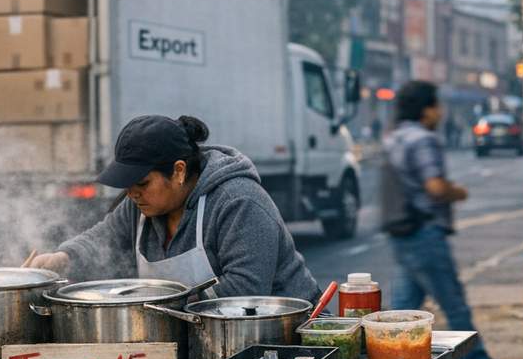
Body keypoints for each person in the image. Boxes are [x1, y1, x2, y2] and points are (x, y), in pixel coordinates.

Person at [29, 114, 319, 302]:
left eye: (142, 183)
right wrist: (61, 258)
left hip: (286, 337)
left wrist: (158, 308)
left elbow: (244, 289)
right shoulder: (139, 206)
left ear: (178, 171)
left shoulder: (238, 202)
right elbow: (103, 237)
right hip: (197, 340)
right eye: (127, 184)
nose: (132, 194)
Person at [385, 80, 522, 359]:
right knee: (453, 303)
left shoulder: (395, 138)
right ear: (427, 109)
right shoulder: (423, 139)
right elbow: (434, 186)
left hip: (403, 234)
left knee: (403, 312)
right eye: (437, 105)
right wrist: (457, 192)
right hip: (425, 235)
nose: (441, 112)